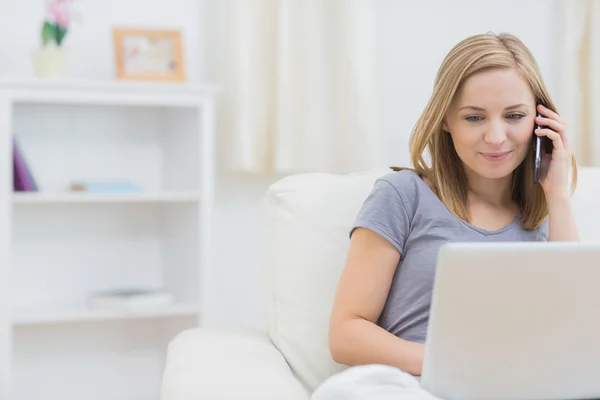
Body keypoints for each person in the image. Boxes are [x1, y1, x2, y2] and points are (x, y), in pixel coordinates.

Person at [311, 32, 579, 400]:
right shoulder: (403, 195)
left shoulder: (546, 219)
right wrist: (452, 363)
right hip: (413, 386)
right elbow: (345, 335)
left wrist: (558, 196)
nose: (496, 136)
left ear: (540, 121)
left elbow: (568, 338)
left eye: (514, 115)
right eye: (474, 117)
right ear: (446, 120)